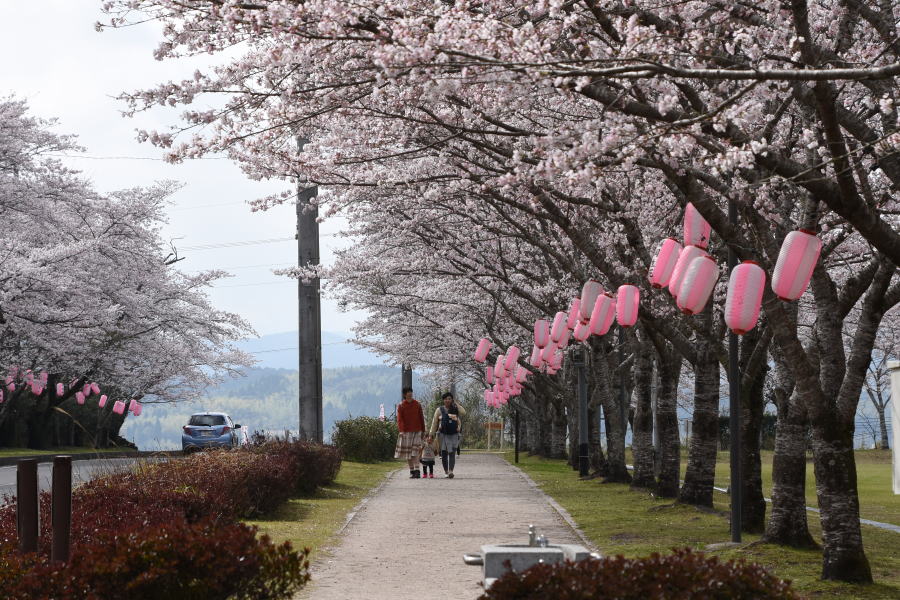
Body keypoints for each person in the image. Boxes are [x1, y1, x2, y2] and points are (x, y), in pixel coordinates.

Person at [395, 387, 426, 478]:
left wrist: (423, 430)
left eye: (411, 392)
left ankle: (417, 471)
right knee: (408, 453)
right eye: (408, 392)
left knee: (415, 451)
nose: (410, 393)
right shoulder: (401, 406)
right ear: (404, 394)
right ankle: (412, 471)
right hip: (406, 432)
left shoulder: (417, 404)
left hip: (417, 430)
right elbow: (400, 420)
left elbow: (421, 417)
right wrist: (402, 431)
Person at [429, 392, 462, 478]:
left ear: (452, 400)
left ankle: (451, 471)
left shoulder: (455, 408)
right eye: (446, 399)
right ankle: (446, 471)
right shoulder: (439, 410)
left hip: (454, 434)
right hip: (442, 434)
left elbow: (463, 413)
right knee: (444, 453)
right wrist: (431, 434)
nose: (447, 400)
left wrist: (456, 404)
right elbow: (434, 423)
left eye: (449, 399)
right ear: (443, 400)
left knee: (452, 453)